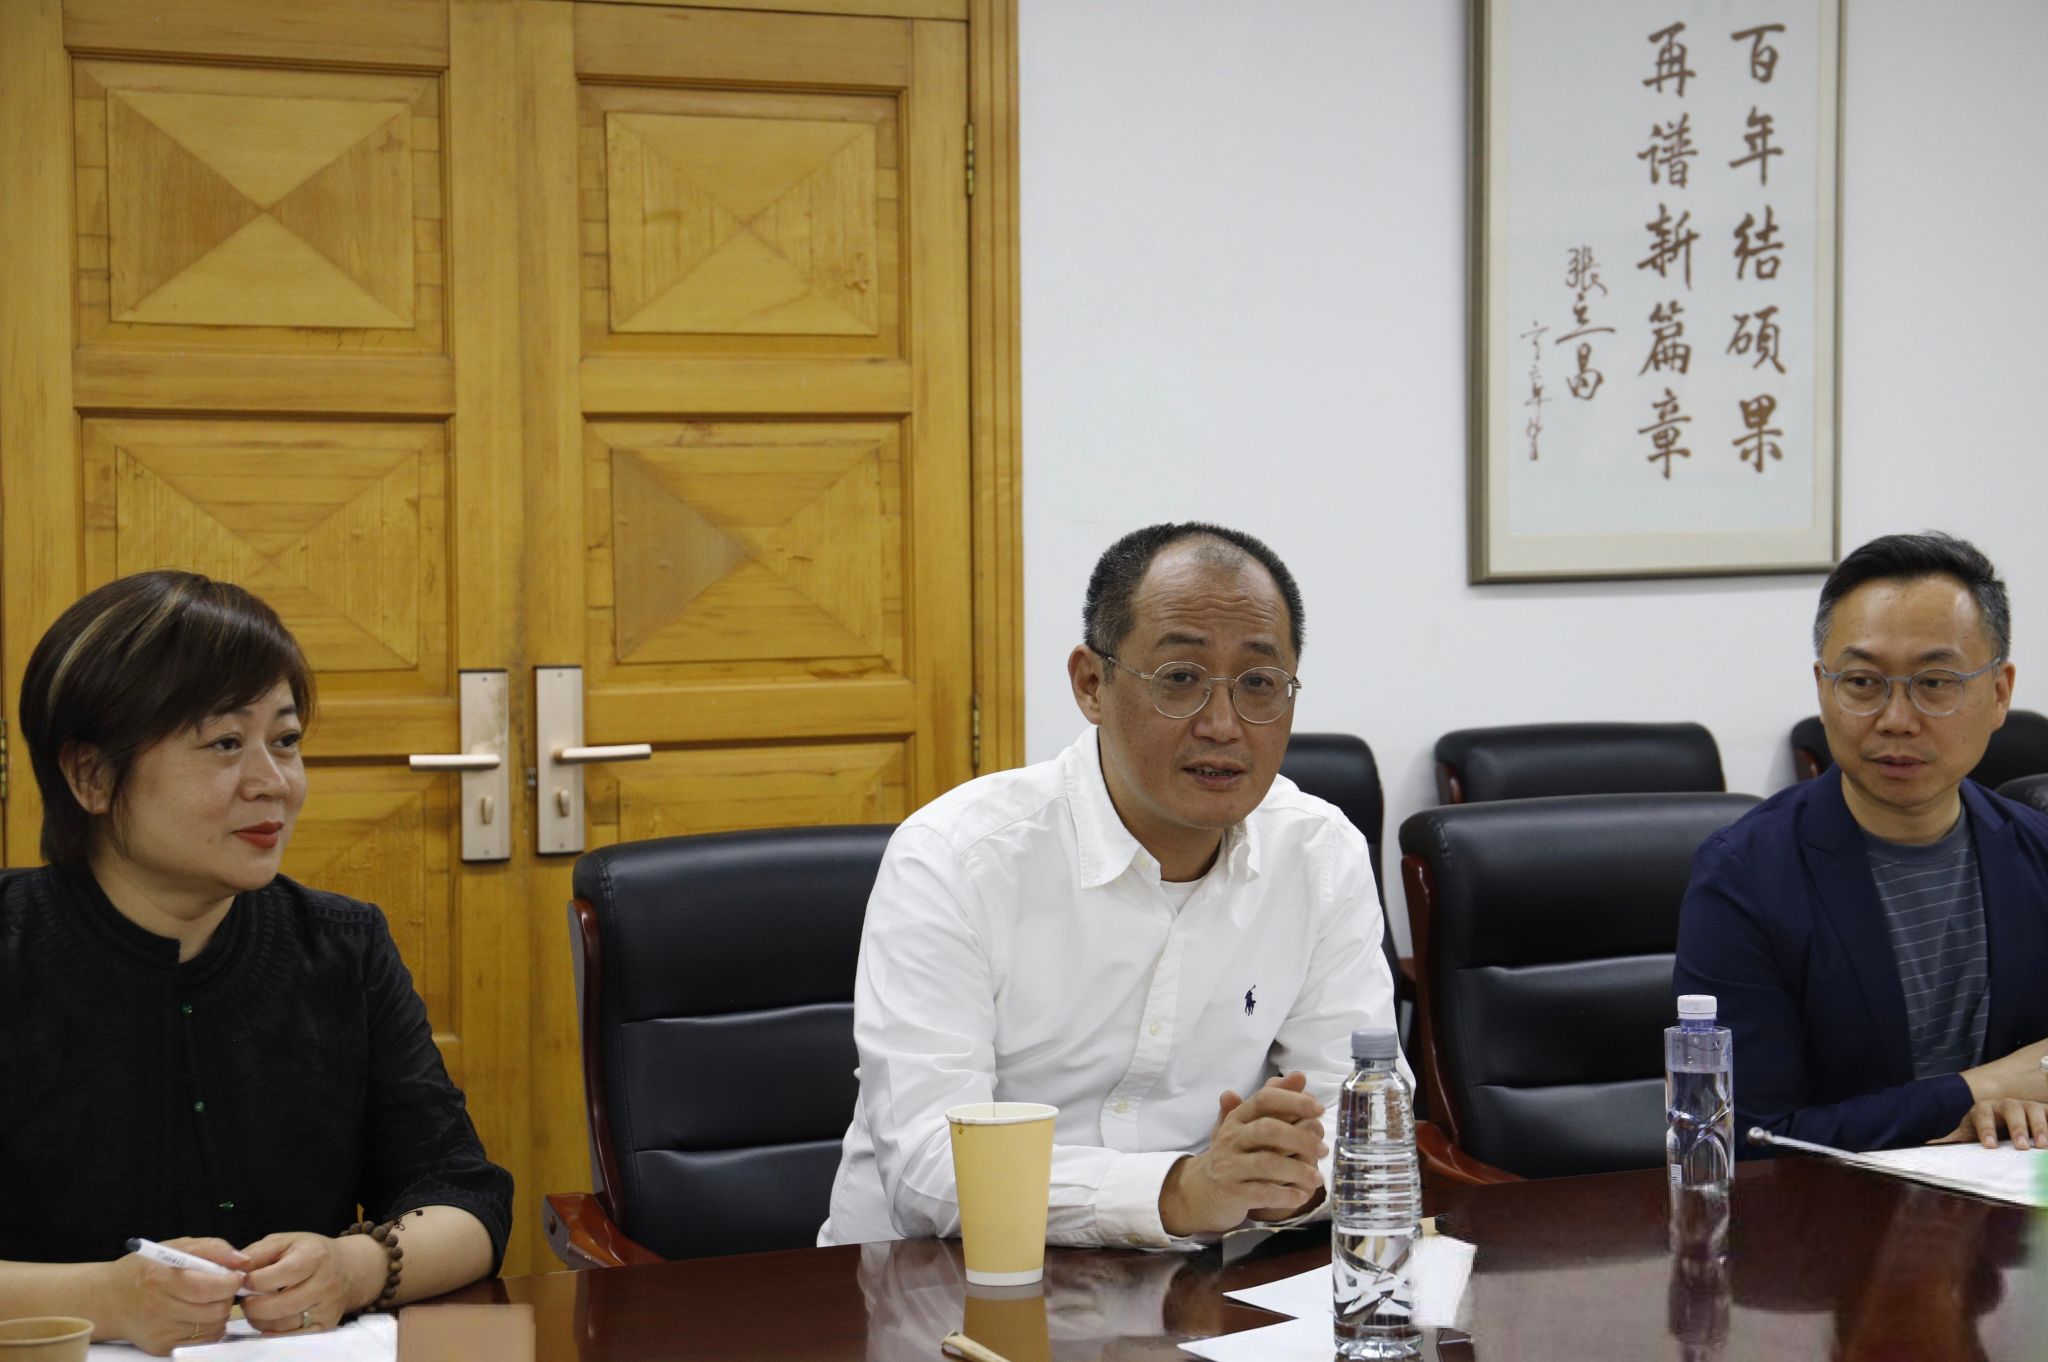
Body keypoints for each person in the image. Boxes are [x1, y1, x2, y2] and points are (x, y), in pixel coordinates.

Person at [818, 522, 1402, 1250]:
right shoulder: (956, 859)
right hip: (937, 1279)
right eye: (1181, 678)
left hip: (1200, 1278)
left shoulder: (1320, 853)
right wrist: (1181, 1192)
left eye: (1259, 683)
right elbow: (932, 1167)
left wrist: (1276, 1181)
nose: (1223, 725)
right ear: (1091, 684)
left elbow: (1364, 1125)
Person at [0, 571, 512, 1355]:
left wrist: (354, 1266)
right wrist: (102, 1298)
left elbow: (466, 1200)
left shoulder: (342, 945)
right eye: (225, 745)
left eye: (285, 741)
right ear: (91, 775)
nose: (273, 784)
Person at [1675, 532, 2048, 1156]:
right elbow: (1748, 1138)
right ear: (1823, 690)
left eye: (1936, 682)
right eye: (1862, 682)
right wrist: (1978, 1090)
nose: (1897, 719)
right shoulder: (1745, 876)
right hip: (1832, 1211)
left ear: (2000, 694)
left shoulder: (2038, 852)